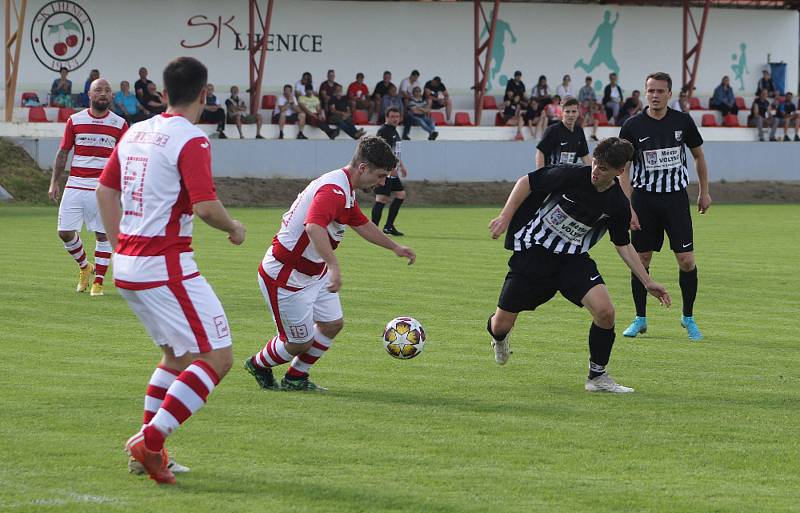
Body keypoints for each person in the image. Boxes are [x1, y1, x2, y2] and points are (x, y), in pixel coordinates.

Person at [96, 56, 247, 485]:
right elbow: (204, 207)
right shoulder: (192, 139)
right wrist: (234, 227)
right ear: (206, 94)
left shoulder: (135, 132)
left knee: (177, 356)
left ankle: (145, 452)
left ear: (163, 94)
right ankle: (150, 441)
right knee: (217, 357)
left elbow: (104, 191)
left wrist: (120, 242)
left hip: (129, 266)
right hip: (165, 265)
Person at [486, 137, 671, 393]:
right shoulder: (571, 175)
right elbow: (526, 182)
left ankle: (597, 377)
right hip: (534, 255)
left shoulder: (617, 203)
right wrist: (505, 216)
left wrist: (647, 281)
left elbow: (622, 243)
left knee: (606, 312)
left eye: (604, 168)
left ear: (620, 171)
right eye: (595, 163)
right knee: (500, 325)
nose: (595, 171)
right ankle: (499, 338)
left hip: (572, 260)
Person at [244, 136, 415, 392]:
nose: (382, 183)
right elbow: (313, 227)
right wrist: (334, 267)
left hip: (313, 272)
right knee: (297, 343)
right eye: (380, 176)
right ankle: (258, 363)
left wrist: (395, 247)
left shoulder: (345, 188)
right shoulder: (334, 189)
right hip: (286, 275)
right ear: (363, 168)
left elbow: (362, 224)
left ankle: (296, 378)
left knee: (332, 324)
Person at [618, 72, 711, 341]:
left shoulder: (682, 121)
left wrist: (704, 191)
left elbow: (698, 155)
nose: (655, 95)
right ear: (645, 93)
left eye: (660, 91)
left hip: (675, 199)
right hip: (644, 200)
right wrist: (628, 204)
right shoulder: (632, 126)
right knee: (641, 260)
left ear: (670, 93)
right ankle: (640, 318)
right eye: (651, 91)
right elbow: (623, 169)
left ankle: (688, 317)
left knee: (686, 260)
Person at [48, 78, 127, 297]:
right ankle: (85, 267)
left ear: (111, 96)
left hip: (103, 188)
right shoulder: (75, 120)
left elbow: (124, 158)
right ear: (89, 95)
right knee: (64, 232)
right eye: (98, 90)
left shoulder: (120, 124)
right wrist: (54, 181)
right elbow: (64, 152)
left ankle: (98, 282)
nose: (103, 93)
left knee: (103, 235)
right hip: (75, 184)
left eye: (107, 90)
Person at [372, 107, 409, 236]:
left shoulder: (394, 131)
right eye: (392, 116)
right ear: (387, 117)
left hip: (392, 169)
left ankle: (388, 226)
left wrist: (401, 166)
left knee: (400, 195)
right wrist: (390, 168)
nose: (395, 119)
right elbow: (381, 152)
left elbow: (394, 152)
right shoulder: (384, 131)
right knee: (381, 198)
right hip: (385, 171)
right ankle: (373, 229)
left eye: (397, 117)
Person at [535, 97, 590, 168]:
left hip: (569, 174)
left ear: (578, 113)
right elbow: (540, 152)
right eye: (567, 111)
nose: (571, 115)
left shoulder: (579, 131)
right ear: (562, 113)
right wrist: (540, 175)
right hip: (552, 174)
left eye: (574, 111)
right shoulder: (553, 130)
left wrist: (594, 173)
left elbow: (585, 156)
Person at [577, 76, 599, 141]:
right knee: (586, 116)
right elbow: (580, 100)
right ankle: (579, 134)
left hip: (590, 108)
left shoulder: (592, 90)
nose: (588, 82)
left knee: (596, 121)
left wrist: (591, 103)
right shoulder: (582, 89)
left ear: (591, 81)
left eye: (590, 80)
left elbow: (594, 99)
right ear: (586, 81)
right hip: (584, 107)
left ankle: (593, 134)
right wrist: (586, 102)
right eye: (587, 80)